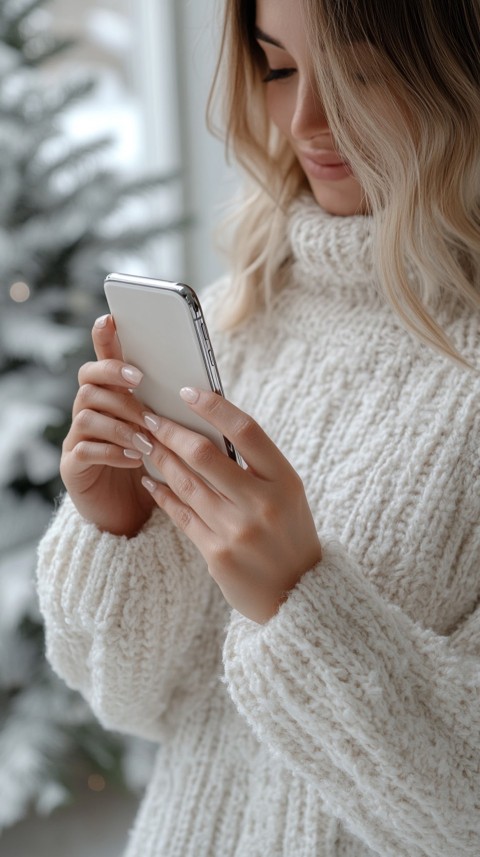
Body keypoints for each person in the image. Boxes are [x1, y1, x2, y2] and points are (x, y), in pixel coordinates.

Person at [36, 0, 480, 854]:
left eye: (360, 72)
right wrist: (120, 527)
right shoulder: (245, 313)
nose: (305, 120)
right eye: (277, 68)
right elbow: (138, 704)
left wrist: (297, 599)